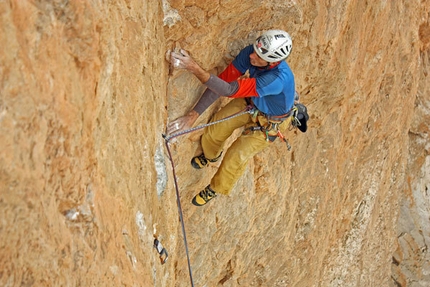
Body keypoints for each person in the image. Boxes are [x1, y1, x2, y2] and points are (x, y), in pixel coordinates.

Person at [167, 29, 297, 206]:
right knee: (215, 129)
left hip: (271, 122)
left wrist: (194, 68)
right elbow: (222, 83)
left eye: (259, 57)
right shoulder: (250, 54)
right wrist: (193, 115)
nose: (252, 56)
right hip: (252, 102)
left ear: (273, 62)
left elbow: (228, 91)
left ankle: (215, 188)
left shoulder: (277, 79)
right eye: (254, 50)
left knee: (237, 155)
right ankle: (211, 156)